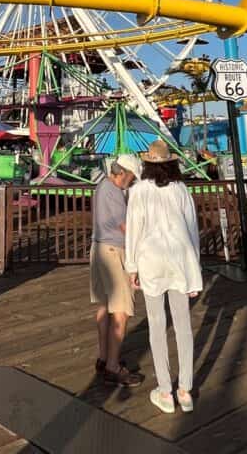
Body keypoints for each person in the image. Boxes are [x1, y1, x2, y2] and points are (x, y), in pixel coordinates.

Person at [125, 139, 202, 415]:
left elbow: (133, 230)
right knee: (183, 326)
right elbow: (192, 231)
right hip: (181, 260)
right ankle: (185, 389)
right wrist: (195, 272)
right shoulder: (180, 189)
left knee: (157, 326)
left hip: (151, 260)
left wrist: (131, 267)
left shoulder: (139, 190)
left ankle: (165, 391)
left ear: (146, 164)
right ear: (170, 163)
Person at [90, 153, 143, 387]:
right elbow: (125, 227)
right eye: (131, 177)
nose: (131, 182)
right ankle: (113, 365)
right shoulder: (113, 192)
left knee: (104, 306)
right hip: (114, 251)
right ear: (123, 173)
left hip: (99, 248)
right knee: (121, 310)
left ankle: (103, 358)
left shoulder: (101, 185)